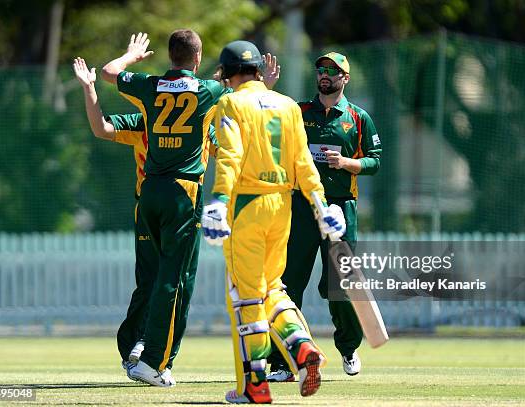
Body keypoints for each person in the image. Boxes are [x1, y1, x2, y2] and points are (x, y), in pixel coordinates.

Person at [100, 31, 280, 387]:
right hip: (184, 192)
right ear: (197, 60)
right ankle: (154, 361)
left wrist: (131, 56)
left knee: (151, 278)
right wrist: (266, 85)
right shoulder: (208, 90)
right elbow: (241, 92)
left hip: (149, 189)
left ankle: (141, 349)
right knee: (176, 280)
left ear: (171, 56)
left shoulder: (150, 85)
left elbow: (107, 72)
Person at [201, 40, 347, 404]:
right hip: (283, 206)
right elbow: (303, 163)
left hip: (247, 205)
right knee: (273, 289)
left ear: (229, 73)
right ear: (257, 71)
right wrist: (321, 205)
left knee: (246, 296)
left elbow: (230, 156)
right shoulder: (286, 104)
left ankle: (255, 385)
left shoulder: (230, 102)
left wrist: (218, 201)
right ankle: (301, 347)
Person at [73, 56, 217, 384]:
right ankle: (142, 349)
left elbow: (227, 152)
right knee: (159, 281)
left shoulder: (195, 122)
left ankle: (140, 345)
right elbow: (102, 128)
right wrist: (89, 88)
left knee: (159, 280)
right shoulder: (148, 120)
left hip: (157, 200)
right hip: (165, 202)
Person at [267, 52, 382, 381]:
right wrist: (269, 89)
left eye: (333, 71)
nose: (325, 75)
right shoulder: (299, 111)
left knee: (339, 285)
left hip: (341, 207)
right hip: (302, 206)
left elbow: (375, 160)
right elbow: (268, 117)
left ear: (345, 78)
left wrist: (348, 163)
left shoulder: (358, 117)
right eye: (321, 69)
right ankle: (283, 361)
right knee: (287, 285)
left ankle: (348, 348)